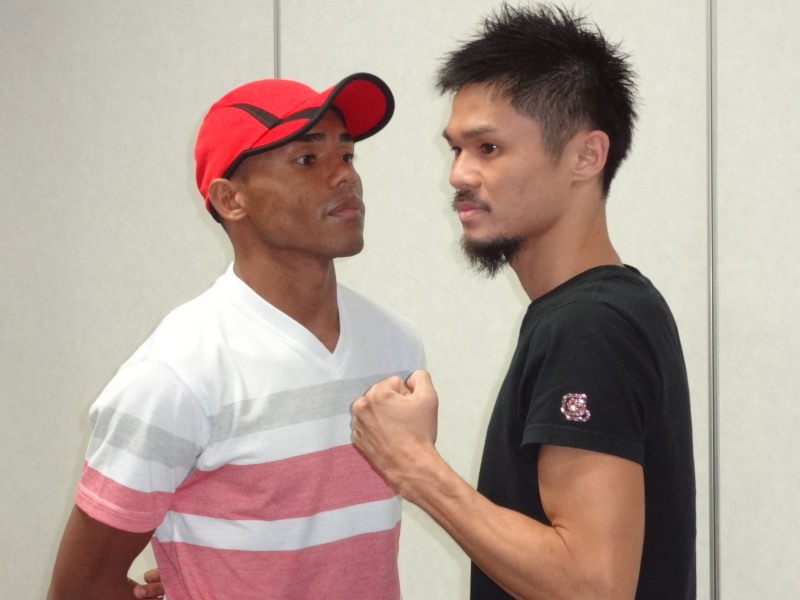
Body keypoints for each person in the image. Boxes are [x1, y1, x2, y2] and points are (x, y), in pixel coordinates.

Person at [351, 4, 696, 599]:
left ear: (586, 157)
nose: (459, 174)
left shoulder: (589, 327)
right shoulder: (610, 307)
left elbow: (592, 586)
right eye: (456, 150)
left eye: (488, 148)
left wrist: (416, 468)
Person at [47, 72, 425, 600]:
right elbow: (80, 589)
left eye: (347, 154)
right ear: (230, 199)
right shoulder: (175, 374)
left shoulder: (397, 347)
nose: (344, 175)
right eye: (307, 159)